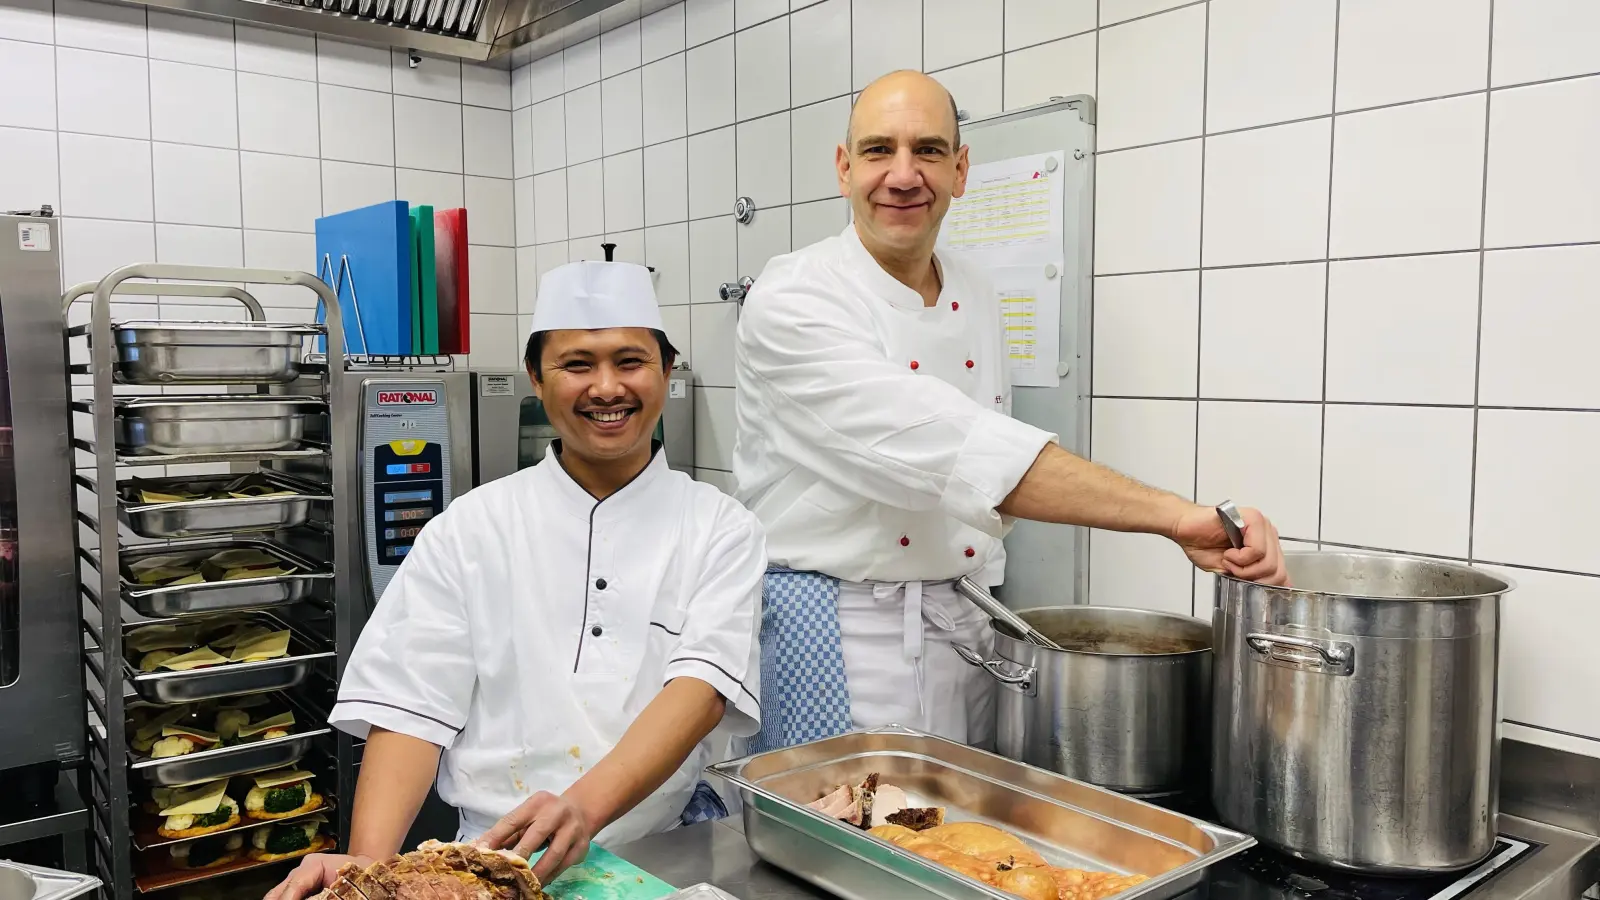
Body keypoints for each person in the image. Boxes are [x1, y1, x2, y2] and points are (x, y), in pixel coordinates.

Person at [733, 70, 1289, 752]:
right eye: (879, 151)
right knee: (846, 837)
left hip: (966, 623)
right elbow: (953, 450)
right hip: (841, 631)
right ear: (844, 167)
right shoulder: (794, 298)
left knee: (957, 837)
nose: (903, 175)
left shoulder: (977, 288)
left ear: (961, 170)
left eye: (929, 151)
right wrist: (1174, 517)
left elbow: (985, 457)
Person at [267, 260, 764, 899]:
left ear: (667, 370)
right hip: (486, 864)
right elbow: (413, 703)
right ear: (536, 377)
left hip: (665, 850)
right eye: (577, 364)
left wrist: (581, 808)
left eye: (631, 361)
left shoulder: (720, 527)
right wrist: (371, 871)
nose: (607, 388)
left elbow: (702, 688)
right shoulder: (472, 527)